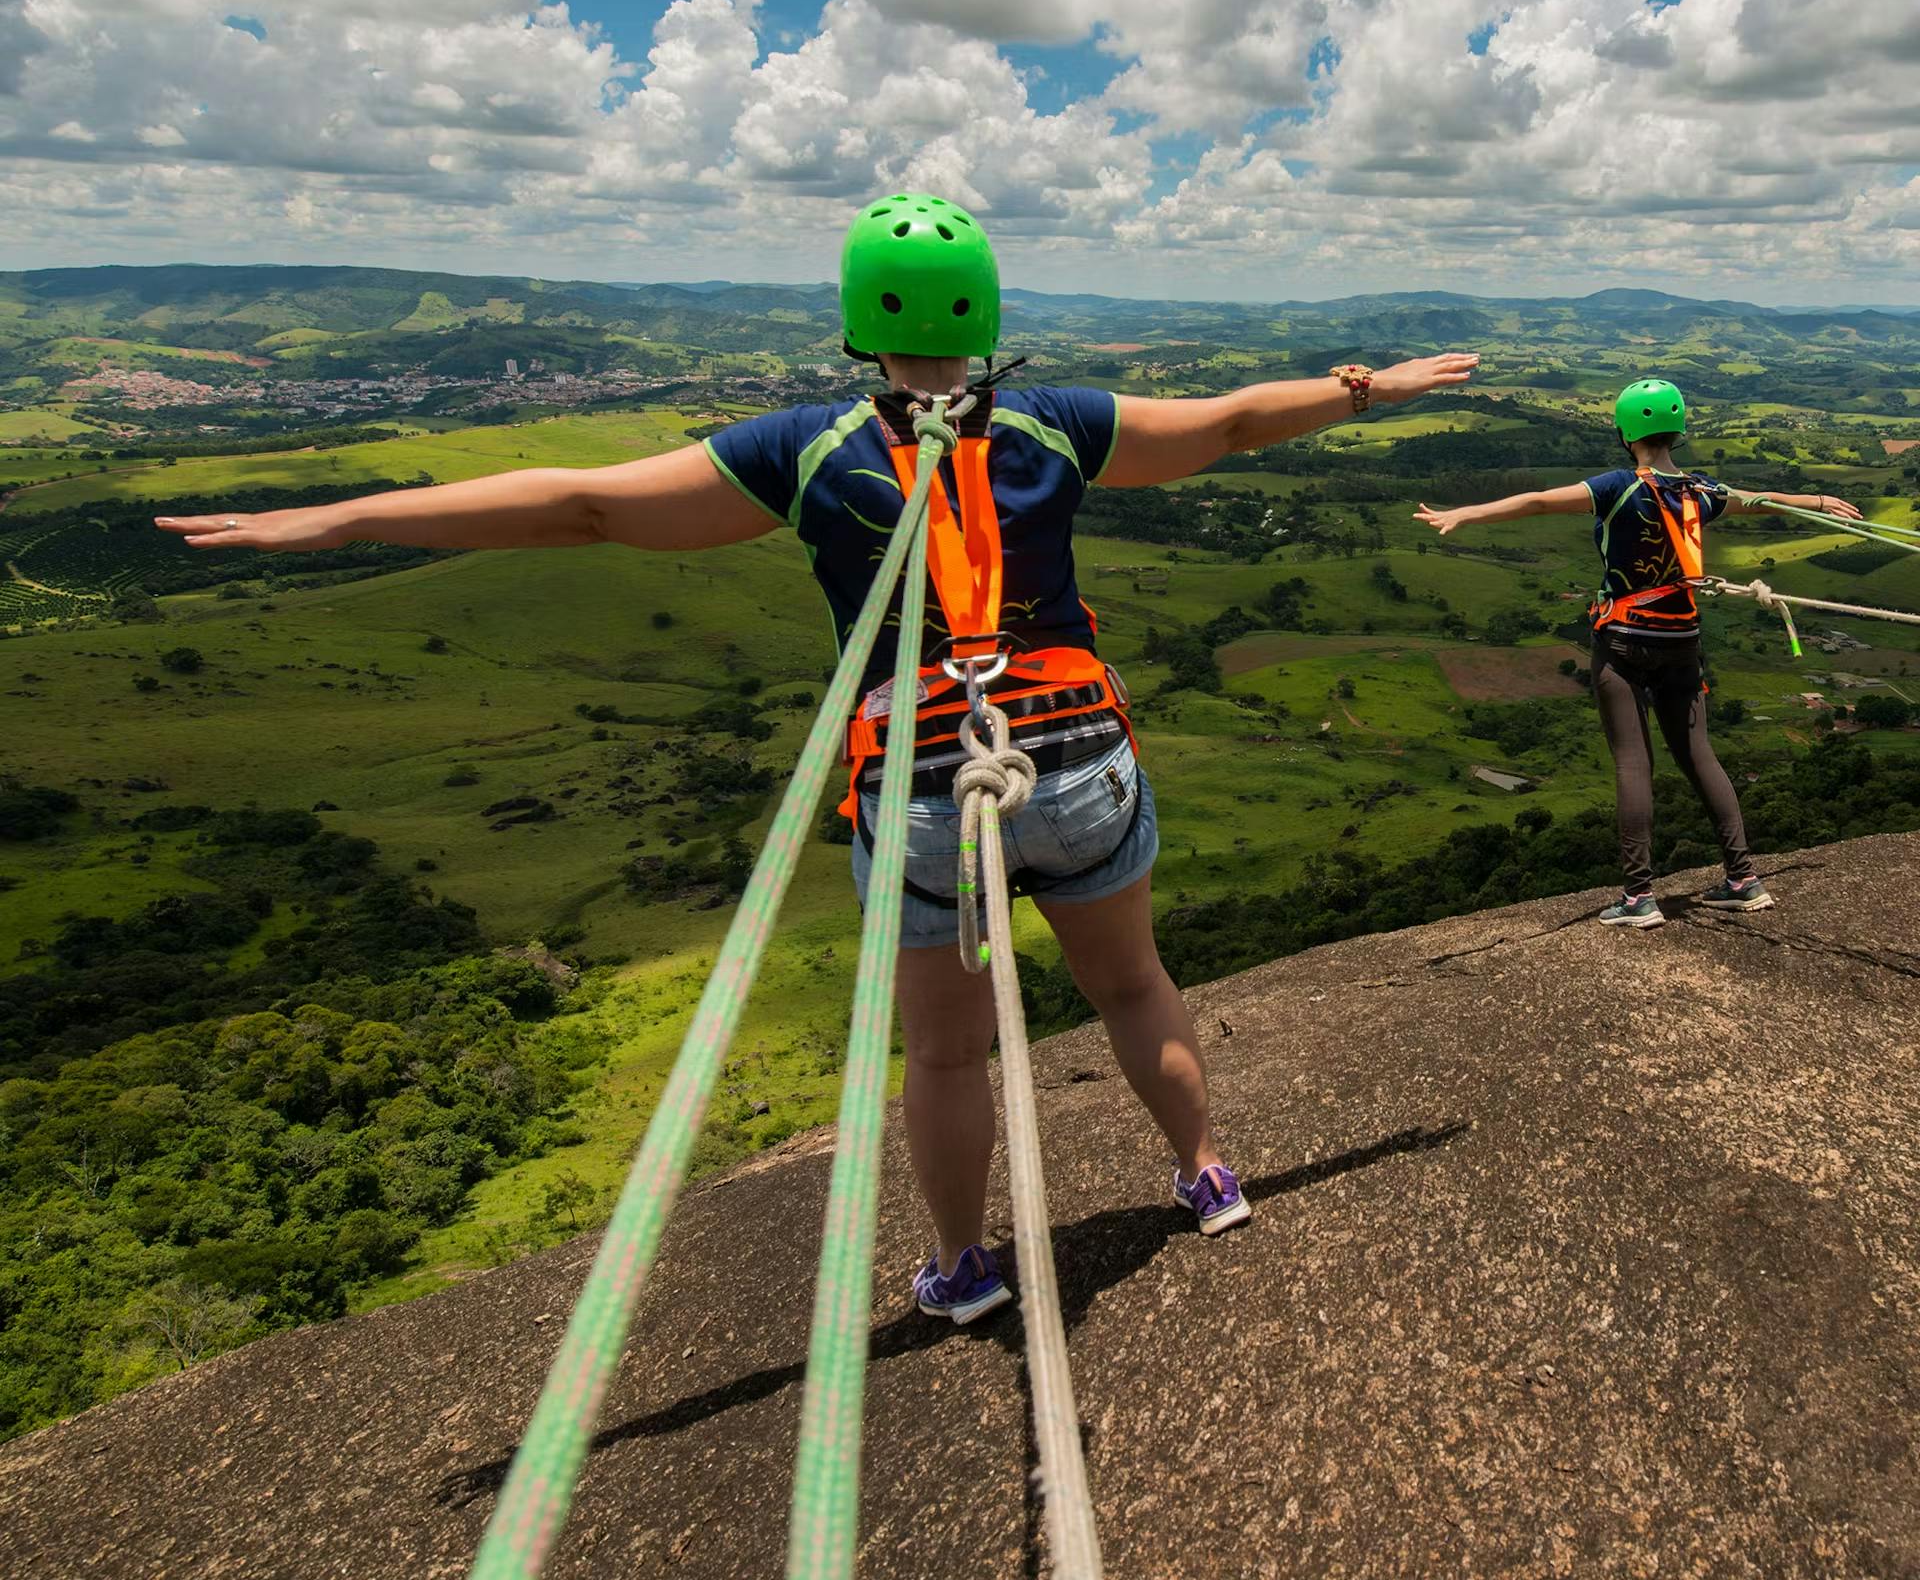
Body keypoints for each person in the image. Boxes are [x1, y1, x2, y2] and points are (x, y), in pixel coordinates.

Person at [159, 193, 1478, 1325]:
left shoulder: (809, 450)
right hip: (1078, 758)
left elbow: (583, 504)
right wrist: (1368, 388)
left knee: (948, 1057)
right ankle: (1209, 1179)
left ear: (863, 324)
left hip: (921, 792)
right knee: (1133, 989)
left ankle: (964, 1269)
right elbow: (1239, 422)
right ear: (984, 319)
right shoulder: (1059, 423)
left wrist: (340, 517)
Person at [1414, 378, 1861, 929]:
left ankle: (1638, 896)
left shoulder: (1617, 485)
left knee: (1633, 762)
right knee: (1700, 756)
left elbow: (1535, 502)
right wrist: (1818, 501)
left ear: (1628, 434)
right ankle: (1744, 879)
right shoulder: (1700, 491)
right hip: (1682, 641)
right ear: (1678, 429)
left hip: (1624, 640)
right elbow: (1760, 502)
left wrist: (1465, 514)